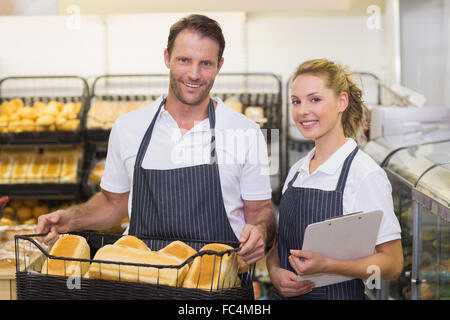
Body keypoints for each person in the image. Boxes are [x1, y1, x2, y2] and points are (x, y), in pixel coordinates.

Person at [37, 14, 276, 265]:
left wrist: (260, 230)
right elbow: (113, 203)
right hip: (142, 279)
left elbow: (260, 212)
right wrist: (70, 218)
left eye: (206, 63)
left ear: (220, 65)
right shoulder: (129, 127)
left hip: (216, 283)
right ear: (166, 58)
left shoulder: (245, 132)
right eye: (184, 60)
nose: (194, 74)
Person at [266, 58, 403, 300]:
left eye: (315, 99)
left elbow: (392, 265)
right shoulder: (297, 170)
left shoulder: (364, 174)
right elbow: (279, 247)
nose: (302, 111)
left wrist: (328, 265)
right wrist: (275, 272)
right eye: (296, 102)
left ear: (341, 102)